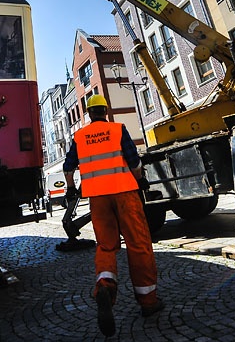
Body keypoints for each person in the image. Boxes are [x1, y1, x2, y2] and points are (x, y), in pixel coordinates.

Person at [63, 94, 163, 337]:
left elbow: (68, 167)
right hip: (125, 194)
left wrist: (71, 187)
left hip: (97, 199)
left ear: (88, 113)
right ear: (105, 111)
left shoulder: (80, 136)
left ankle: (105, 287)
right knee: (138, 244)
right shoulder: (117, 129)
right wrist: (139, 180)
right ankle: (148, 302)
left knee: (106, 246)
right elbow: (134, 161)